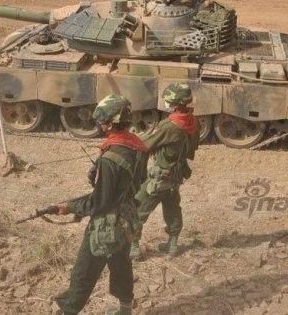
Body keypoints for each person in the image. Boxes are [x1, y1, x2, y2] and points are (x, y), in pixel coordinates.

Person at [53, 94, 147, 315]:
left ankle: (68, 310)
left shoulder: (109, 158)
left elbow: (100, 202)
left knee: (84, 271)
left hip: (107, 224)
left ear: (110, 124)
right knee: (121, 264)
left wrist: (71, 207)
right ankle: (125, 308)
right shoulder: (137, 145)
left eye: (102, 121)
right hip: (127, 216)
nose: (99, 124)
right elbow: (137, 181)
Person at [130, 83, 200, 260]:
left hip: (160, 176)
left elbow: (145, 144)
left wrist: (128, 138)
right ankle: (173, 244)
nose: (166, 103)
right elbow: (192, 147)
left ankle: (133, 247)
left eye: (168, 100)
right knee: (172, 208)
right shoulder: (194, 121)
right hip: (176, 175)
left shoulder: (169, 126)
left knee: (138, 208)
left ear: (175, 105)